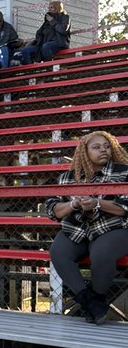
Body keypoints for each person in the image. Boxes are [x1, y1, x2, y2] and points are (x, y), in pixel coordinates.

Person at [45, 131, 128, 325]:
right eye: (97, 147)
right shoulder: (67, 177)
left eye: (107, 146)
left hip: (114, 227)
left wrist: (97, 203)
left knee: (101, 252)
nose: (103, 150)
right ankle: (90, 302)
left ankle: (97, 298)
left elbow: (125, 207)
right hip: (78, 228)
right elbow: (52, 210)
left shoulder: (123, 172)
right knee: (58, 251)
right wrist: (73, 205)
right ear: (85, 151)